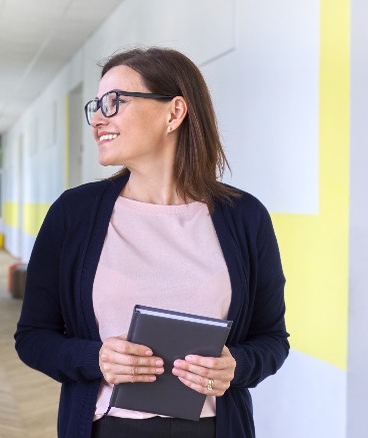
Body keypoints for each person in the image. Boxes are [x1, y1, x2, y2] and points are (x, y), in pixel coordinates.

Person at [14, 46, 289, 438]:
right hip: (106, 429)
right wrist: (96, 358)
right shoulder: (73, 214)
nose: (98, 120)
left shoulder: (245, 216)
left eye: (115, 102)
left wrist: (237, 365)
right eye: (96, 106)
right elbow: (33, 338)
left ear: (174, 112)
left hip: (215, 429)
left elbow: (272, 339)